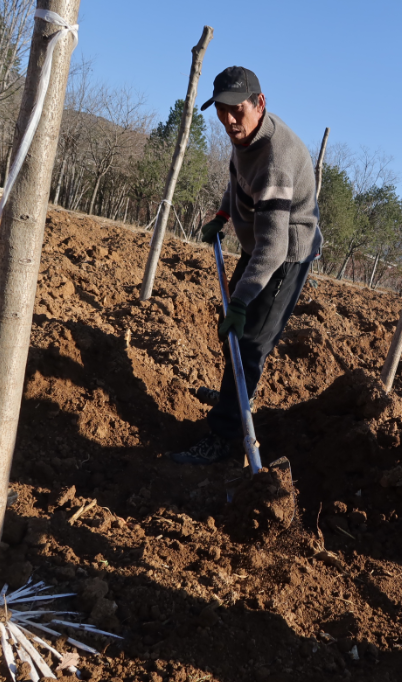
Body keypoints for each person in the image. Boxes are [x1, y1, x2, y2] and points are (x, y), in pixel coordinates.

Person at [170, 66, 322, 465]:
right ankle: (235, 395)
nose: (228, 119)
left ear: (260, 103)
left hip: (285, 254)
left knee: (250, 343)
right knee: (232, 332)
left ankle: (223, 438)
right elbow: (239, 176)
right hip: (260, 245)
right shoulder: (247, 138)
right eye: (221, 110)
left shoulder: (276, 160)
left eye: (236, 109)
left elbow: (273, 248)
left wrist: (241, 302)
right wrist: (223, 213)